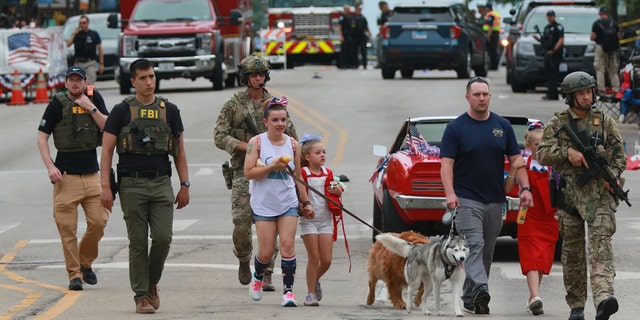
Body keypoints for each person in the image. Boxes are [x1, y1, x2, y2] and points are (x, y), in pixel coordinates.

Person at [99, 58, 190, 314]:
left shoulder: (169, 110)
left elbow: (179, 151)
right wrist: (105, 187)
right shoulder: (121, 111)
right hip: (131, 184)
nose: (149, 82)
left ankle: (151, 283)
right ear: (133, 82)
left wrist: (185, 184)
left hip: (162, 182)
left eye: (151, 76)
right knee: (137, 241)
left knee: (163, 238)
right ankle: (141, 296)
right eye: (143, 78)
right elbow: (106, 152)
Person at [440, 76, 534, 315]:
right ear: (468, 97)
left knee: (486, 252)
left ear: (490, 96)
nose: (482, 98)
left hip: (494, 199)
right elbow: (446, 165)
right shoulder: (456, 128)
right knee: (474, 244)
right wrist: (450, 193)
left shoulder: (501, 126)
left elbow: (516, 161)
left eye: (485, 94)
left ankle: (472, 299)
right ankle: (482, 287)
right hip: (466, 198)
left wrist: (525, 189)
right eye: (477, 94)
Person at [537, 71, 625, 320]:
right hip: (570, 198)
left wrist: (614, 177)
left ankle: (604, 299)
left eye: (589, 92)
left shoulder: (605, 122)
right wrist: (568, 153)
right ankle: (576, 306)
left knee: (601, 250)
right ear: (570, 96)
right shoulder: (559, 122)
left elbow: (619, 156)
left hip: (600, 198)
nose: (586, 97)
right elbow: (542, 153)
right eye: (580, 93)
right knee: (573, 256)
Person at [214, 54, 298, 291]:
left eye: (261, 74)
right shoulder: (234, 104)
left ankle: (268, 271)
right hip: (244, 170)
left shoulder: (274, 104)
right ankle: (243, 258)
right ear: (245, 77)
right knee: (241, 223)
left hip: (274, 173)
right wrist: (249, 147)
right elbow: (219, 136)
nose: (258, 78)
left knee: (273, 220)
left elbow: (291, 134)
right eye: (253, 74)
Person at [37, 66, 110, 291]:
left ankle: (84, 262)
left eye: (79, 80)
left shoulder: (93, 97)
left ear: (85, 81)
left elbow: (109, 129)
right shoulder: (57, 104)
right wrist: (50, 166)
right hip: (65, 178)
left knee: (99, 222)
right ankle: (74, 275)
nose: (75, 84)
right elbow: (42, 137)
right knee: (67, 228)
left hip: (91, 175)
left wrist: (92, 108)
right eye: (72, 80)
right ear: (66, 83)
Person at [244, 98, 313, 307]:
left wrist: (306, 202)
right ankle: (257, 277)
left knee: (288, 245)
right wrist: (271, 168)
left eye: (283, 119)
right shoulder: (256, 143)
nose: (279, 124)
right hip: (264, 203)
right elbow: (248, 173)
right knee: (265, 252)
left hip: (287, 202)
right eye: (275, 120)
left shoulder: (293, 144)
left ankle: (289, 292)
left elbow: (298, 174)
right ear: (266, 122)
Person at [505, 121, 558, 316]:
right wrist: (512, 170)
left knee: (543, 259)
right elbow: (508, 189)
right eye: (537, 145)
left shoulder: (555, 167)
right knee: (531, 257)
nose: (541, 148)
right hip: (529, 216)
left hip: (550, 218)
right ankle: (535, 295)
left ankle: (533, 298)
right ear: (528, 146)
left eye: (545, 144)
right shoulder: (523, 164)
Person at [297, 134, 344, 306]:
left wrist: (338, 191)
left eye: (324, 152)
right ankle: (310, 294)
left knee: (327, 260)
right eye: (318, 152)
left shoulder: (328, 172)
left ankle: (314, 280)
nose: (323, 155)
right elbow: (298, 194)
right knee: (314, 258)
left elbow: (333, 190)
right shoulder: (303, 172)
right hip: (309, 220)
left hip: (326, 220)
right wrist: (303, 207)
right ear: (307, 157)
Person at [534, 10, 564, 101]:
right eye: (548, 16)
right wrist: (538, 39)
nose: (550, 18)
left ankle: (553, 93)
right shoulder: (547, 28)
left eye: (551, 16)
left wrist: (553, 50)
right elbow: (545, 40)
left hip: (555, 54)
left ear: (554, 17)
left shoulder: (558, 27)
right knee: (548, 74)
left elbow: (561, 40)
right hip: (547, 54)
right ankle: (550, 92)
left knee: (554, 74)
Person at [591, 6, 621, 95]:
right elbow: (619, 36)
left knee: (600, 68)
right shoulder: (614, 23)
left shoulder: (596, 24)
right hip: (613, 48)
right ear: (607, 14)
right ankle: (616, 88)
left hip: (601, 47)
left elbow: (592, 37)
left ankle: (602, 89)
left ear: (600, 14)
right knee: (613, 69)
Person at [66, 15, 104, 84]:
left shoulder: (93, 34)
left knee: (90, 78)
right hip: (79, 62)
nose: (82, 25)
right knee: (78, 82)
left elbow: (100, 48)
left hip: (90, 62)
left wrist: (101, 63)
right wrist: (74, 34)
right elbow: (68, 44)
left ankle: (87, 92)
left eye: (83, 23)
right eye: (80, 23)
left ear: (88, 23)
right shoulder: (76, 34)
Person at [482, 3, 502, 70]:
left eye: (486, 8)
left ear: (488, 8)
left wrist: (488, 36)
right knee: (494, 50)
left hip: (492, 34)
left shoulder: (491, 15)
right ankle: (494, 65)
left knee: (491, 50)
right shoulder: (496, 13)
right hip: (495, 33)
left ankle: (493, 66)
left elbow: (490, 26)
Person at [351, 5, 371, 69]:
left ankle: (364, 64)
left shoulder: (363, 18)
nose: (360, 10)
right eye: (359, 9)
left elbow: (366, 27)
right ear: (356, 9)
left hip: (362, 36)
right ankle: (355, 64)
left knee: (363, 50)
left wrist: (369, 35)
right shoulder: (353, 18)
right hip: (355, 36)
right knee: (354, 51)